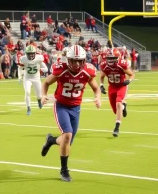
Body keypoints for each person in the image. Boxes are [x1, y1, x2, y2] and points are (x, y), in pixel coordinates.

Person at [40, 45, 101, 182]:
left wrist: (97, 97)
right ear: (68, 59)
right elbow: (46, 83)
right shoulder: (61, 70)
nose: (77, 64)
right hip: (61, 106)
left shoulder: (87, 72)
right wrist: (43, 95)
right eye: (73, 60)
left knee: (67, 141)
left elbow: (96, 88)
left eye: (79, 60)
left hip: (76, 108)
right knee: (67, 135)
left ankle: (51, 140)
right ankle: (64, 170)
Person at [99, 48, 135, 137]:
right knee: (116, 111)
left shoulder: (121, 65)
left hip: (121, 86)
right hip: (112, 87)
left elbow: (132, 74)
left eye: (112, 58)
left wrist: (129, 81)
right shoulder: (105, 65)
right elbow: (102, 76)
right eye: (109, 58)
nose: (110, 60)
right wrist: (101, 85)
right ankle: (124, 106)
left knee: (118, 103)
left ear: (117, 58)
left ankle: (116, 128)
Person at [19, 45, 48, 115]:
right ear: (26, 54)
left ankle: (38, 100)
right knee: (27, 92)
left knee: (39, 95)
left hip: (36, 78)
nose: (31, 55)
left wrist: (41, 69)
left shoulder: (39, 58)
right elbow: (20, 68)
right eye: (29, 54)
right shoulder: (23, 59)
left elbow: (46, 68)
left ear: (35, 53)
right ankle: (28, 108)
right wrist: (20, 76)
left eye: (32, 53)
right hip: (27, 78)